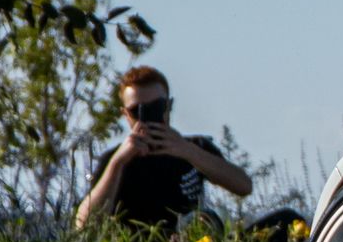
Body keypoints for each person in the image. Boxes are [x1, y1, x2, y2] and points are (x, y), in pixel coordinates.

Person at [74, 65, 254, 231]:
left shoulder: (195, 147)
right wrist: (117, 163)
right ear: (126, 115)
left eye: (157, 107)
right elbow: (83, 225)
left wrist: (188, 151)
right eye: (138, 111)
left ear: (169, 106)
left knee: (280, 220)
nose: (149, 117)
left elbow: (243, 186)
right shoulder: (114, 160)